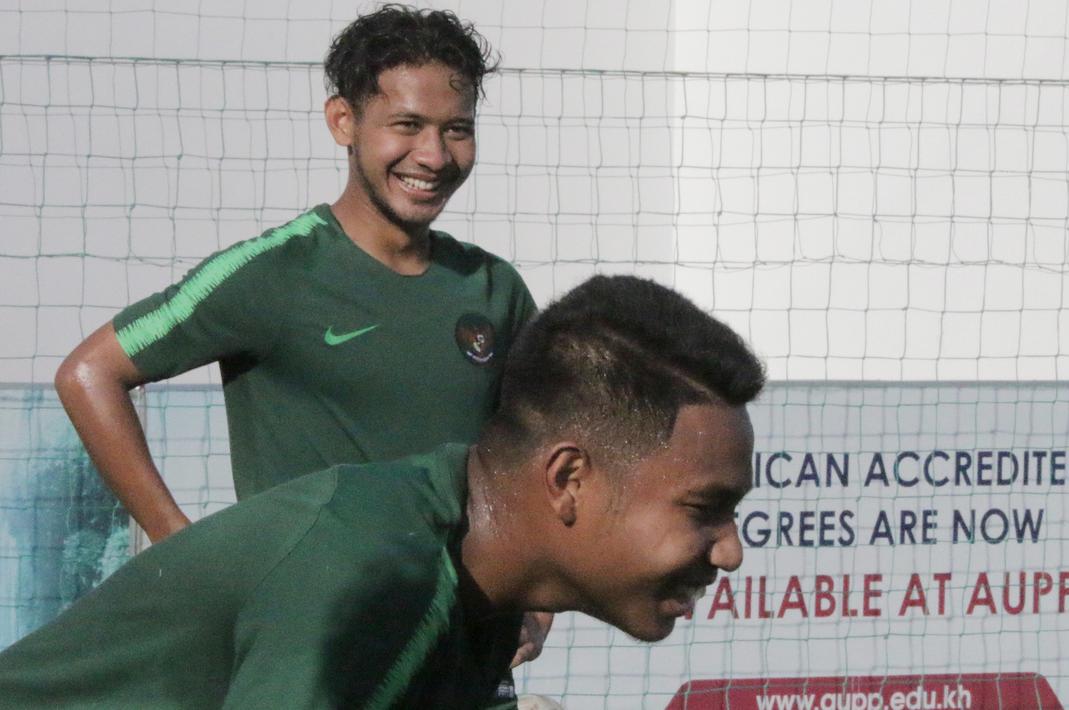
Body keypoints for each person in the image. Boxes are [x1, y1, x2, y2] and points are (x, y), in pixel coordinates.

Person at [0, 275, 766, 708]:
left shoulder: (474, 587)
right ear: (568, 479)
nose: (729, 552)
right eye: (705, 509)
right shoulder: (372, 577)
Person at [54, 4, 535, 542]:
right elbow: (89, 374)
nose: (433, 155)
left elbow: (549, 439)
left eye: (457, 130)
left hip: (464, 623)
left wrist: (540, 597)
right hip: (312, 625)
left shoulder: (495, 289)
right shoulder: (269, 273)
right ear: (343, 121)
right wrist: (182, 546)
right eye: (407, 125)